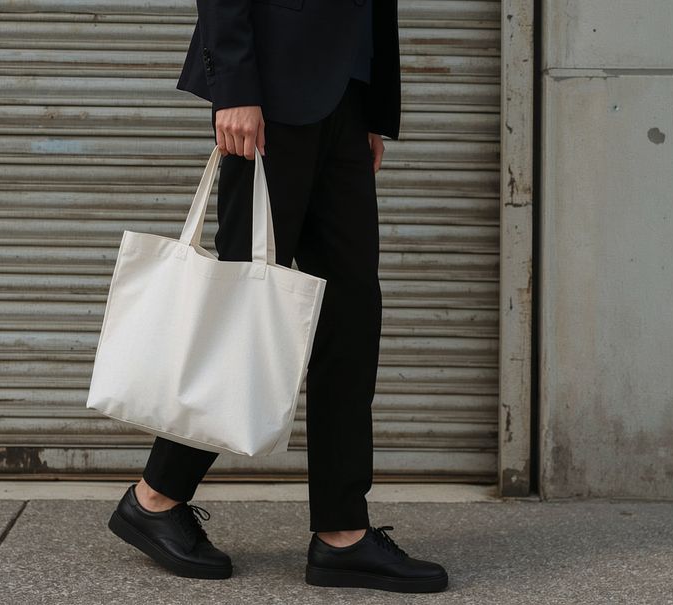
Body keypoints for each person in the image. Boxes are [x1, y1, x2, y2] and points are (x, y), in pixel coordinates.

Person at [106, 0, 449, 594]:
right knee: (243, 307)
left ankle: (343, 533)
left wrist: (367, 105)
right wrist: (235, 87)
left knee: (352, 314)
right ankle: (155, 497)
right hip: (271, 95)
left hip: (346, 92)